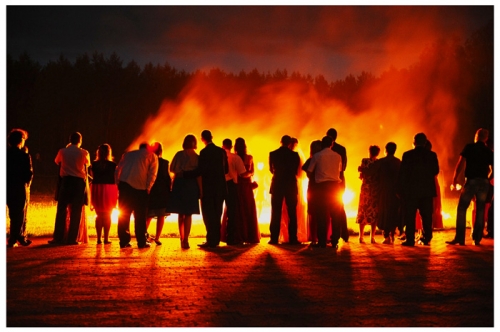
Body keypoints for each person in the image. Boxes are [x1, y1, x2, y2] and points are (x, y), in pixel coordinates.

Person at [446, 128, 493, 246]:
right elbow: (494, 169)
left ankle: (460, 238)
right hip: (483, 183)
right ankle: (477, 238)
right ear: (486, 138)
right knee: (480, 209)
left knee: (462, 208)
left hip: (471, 181)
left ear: (476, 136)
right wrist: (487, 178)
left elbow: (460, 163)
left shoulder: (469, 147)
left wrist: (455, 178)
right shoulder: (489, 152)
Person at [184, 130, 228, 248]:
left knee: (208, 214)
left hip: (209, 188)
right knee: (217, 213)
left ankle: (210, 240)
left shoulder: (203, 152)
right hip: (220, 188)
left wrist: (186, 174)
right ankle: (216, 239)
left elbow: (201, 170)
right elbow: (226, 170)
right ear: (212, 137)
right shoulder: (221, 151)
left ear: (203, 139)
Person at [398, 133, 439, 246]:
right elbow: (435, 171)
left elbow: (403, 174)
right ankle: (427, 238)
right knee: (426, 216)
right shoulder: (432, 155)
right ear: (425, 142)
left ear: (414, 142)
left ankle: (410, 239)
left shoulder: (407, 155)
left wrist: (400, 189)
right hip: (426, 190)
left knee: (410, 215)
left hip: (411, 190)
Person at [50, 132, 91, 245]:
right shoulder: (84, 152)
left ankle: (58, 237)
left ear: (70, 140)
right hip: (78, 183)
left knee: (61, 209)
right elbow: (87, 164)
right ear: (80, 140)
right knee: (76, 210)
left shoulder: (63, 151)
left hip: (66, 181)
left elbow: (56, 161)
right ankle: (72, 238)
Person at [115, 142, 158, 249]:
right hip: (140, 188)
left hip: (125, 186)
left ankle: (124, 240)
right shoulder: (152, 156)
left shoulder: (127, 155)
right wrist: (148, 187)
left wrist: (118, 183)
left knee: (124, 215)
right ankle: (141, 241)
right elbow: (153, 174)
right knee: (140, 216)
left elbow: (117, 169)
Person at [306, 136, 343, 248]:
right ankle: (335, 240)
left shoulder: (317, 156)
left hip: (321, 188)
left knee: (321, 214)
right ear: (332, 144)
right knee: (335, 215)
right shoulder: (338, 156)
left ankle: (322, 241)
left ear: (322, 144)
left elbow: (309, 171)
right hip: (335, 187)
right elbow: (339, 171)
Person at [167, 135, 201, 249]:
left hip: (179, 183)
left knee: (181, 213)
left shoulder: (179, 154)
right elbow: (198, 175)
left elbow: (171, 168)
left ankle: (181, 238)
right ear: (194, 143)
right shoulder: (197, 157)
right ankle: (186, 239)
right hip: (191, 185)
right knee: (189, 213)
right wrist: (201, 190)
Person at [268, 135, 301, 245]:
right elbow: (296, 171)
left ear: (280, 141)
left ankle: (274, 238)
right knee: (292, 212)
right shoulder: (294, 155)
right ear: (289, 143)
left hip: (277, 184)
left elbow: (271, 170)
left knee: (276, 212)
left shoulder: (273, 154)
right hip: (290, 185)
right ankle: (293, 238)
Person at [7, 128, 33, 248]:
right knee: (19, 213)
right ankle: (17, 237)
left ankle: (15, 237)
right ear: (21, 140)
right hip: (19, 186)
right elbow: (29, 174)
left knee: (12, 212)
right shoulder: (24, 156)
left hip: (7, 185)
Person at [220, 138, 248, 245]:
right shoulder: (235, 157)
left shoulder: (219, 156)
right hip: (231, 185)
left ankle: (215, 236)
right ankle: (230, 237)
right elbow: (242, 173)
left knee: (217, 210)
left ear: (222, 146)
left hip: (219, 184)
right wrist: (250, 174)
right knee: (232, 212)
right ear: (231, 146)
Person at [89, 143, 118, 245]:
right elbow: (115, 178)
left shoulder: (94, 164)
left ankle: (98, 238)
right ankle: (106, 238)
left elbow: (93, 176)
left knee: (99, 214)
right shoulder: (113, 165)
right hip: (109, 189)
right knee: (108, 215)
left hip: (97, 188)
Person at [234, 137, 261, 244]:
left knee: (238, 210)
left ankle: (239, 235)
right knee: (248, 209)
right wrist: (246, 175)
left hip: (237, 185)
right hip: (246, 185)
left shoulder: (234, 157)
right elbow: (252, 172)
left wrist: (240, 175)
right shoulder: (249, 157)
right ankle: (250, 236)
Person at [415, 140, 444, 238]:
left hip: (423, 184)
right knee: (429, 209)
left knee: (421, 209)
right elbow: (436, 171)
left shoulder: (417, 156)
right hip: (432, 184)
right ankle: (425, 232)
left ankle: (421, 232)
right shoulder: (432, 155)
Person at [374, 142, 401, 244]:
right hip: (395, 191)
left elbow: (374, 174)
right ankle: (392, 235)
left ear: (386, 150)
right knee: (393, 213)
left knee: (384, 213)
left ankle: (386, 236)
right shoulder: (398, 162)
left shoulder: (381, 161)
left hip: (384, 190)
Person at [145, 142, 171, 246]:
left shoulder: (147, 161)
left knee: (149, 215)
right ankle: (157, 237)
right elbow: (167, 177)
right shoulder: (164, 162)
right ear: (161, 151)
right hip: (162, 190)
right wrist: (169, 189)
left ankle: (144, 234)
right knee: (161, 215)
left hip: (151, 190)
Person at [326, 128, 349, 242]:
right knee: (340, 206)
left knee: (327, 207)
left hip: (328, 181)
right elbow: (344, 167)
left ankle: (330, 234)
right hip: (340, 180)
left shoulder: (324, 148)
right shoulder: (342, 149)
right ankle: (343, 233)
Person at [356, 145, 380, 244]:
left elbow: (361, 176)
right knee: (374, 212)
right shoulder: (378, 163)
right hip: (375, 190)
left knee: (363, 211)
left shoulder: (364, 161)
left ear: (369, 151)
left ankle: (361, 236)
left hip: (365, 188)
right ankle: (372, 237)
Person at [301, 140, 324, 245]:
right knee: (323, 212)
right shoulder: (324, 159)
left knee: (313, 212)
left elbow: (306, 171)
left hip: (312, 187)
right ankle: (323, 236)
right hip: (323, 187)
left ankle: (314, 237)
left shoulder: (310, 160)